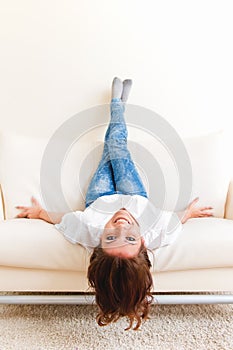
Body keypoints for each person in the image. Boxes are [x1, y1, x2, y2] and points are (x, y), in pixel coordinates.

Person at [16, 77, 213, 330]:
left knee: (107, 151)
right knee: (116, 146)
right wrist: (190, 212)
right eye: (130, 239)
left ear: (99, 242)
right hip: (134, 194)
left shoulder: (87, 230)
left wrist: (40, 212)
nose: (121, 227)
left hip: (99, 197)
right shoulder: (156, 232)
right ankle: (118, 105)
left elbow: (64, 218)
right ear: (142, 242)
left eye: (111, 238)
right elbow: (176, 219)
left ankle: (117, 105)